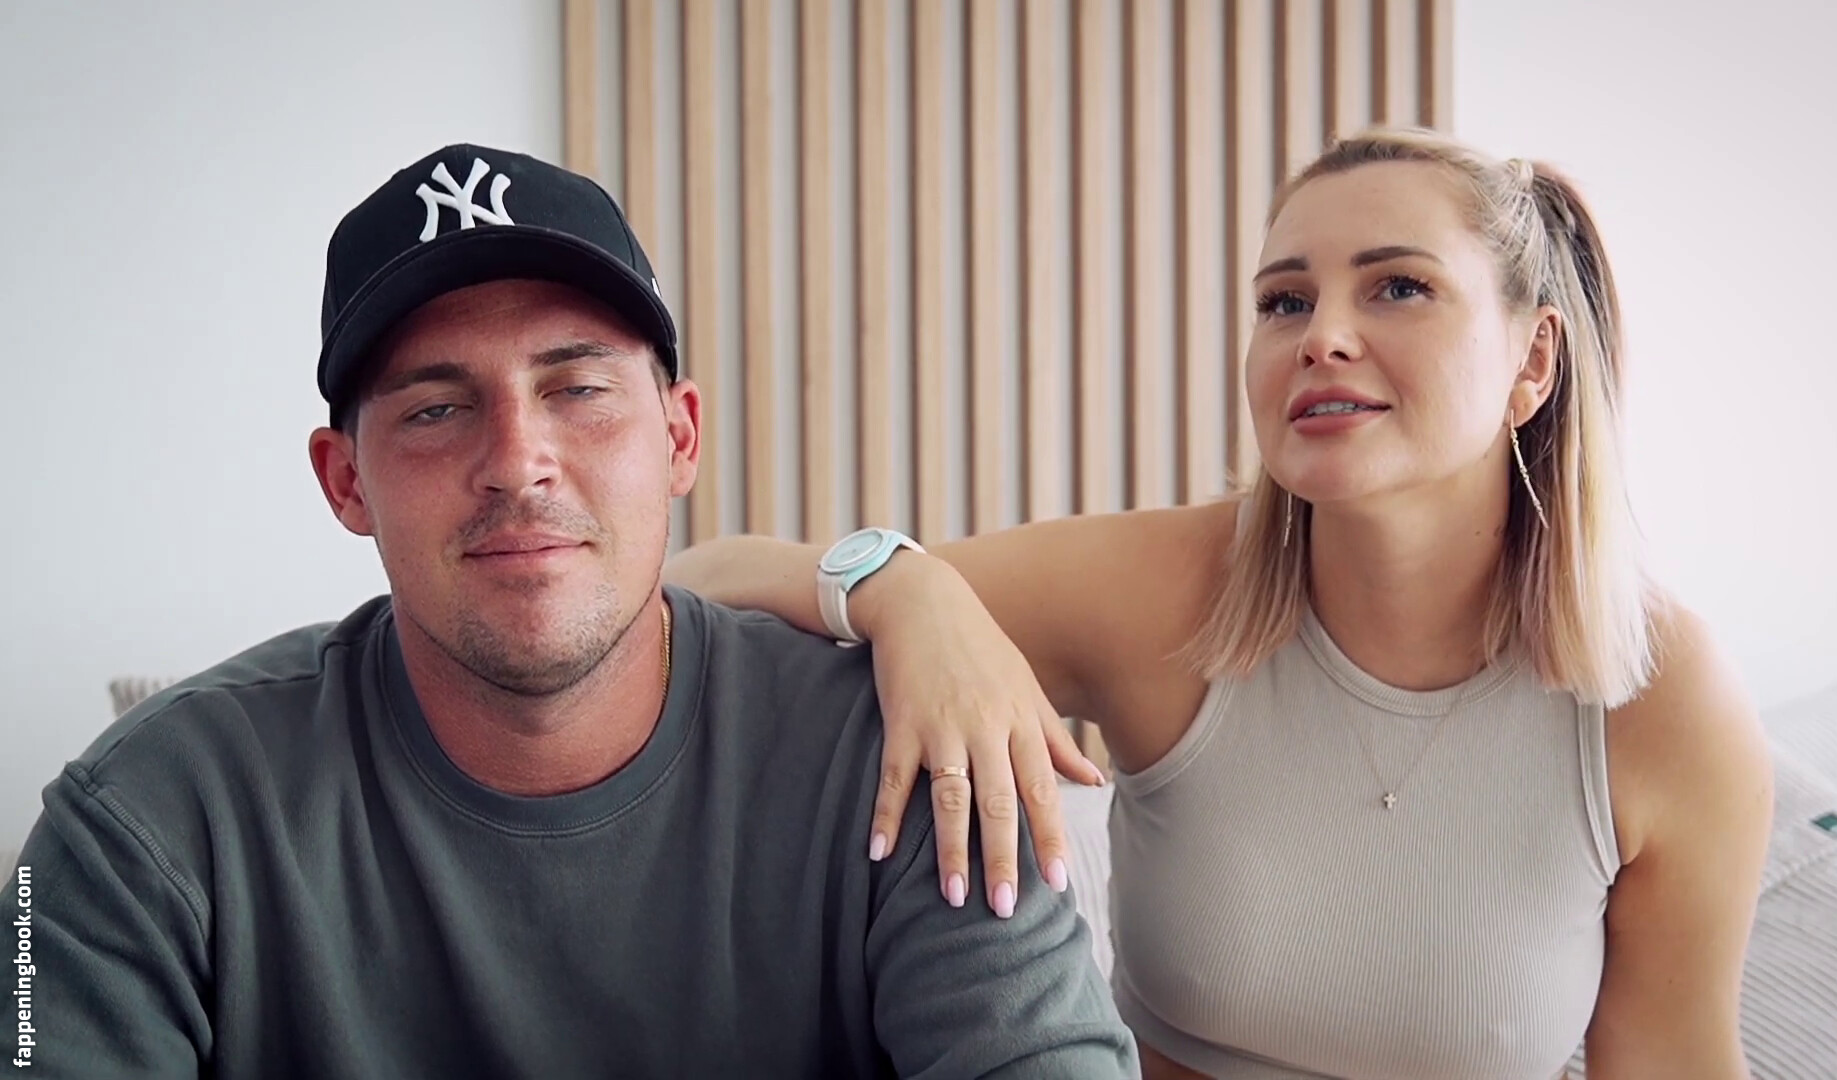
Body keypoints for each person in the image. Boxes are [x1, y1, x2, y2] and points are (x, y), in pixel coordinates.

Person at [667, 127, 1776, 1079]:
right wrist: (909, 591)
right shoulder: (1167, 592)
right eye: (1284, 301)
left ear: (1533, 362)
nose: (1321, 335)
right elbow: (696, 589)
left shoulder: (1666, 702)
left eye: (1398, 286)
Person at [10, 143, 1137, 1079]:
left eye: (579, 388)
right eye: (437, 409)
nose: (518, 461)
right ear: (345, 481)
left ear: (679, 436)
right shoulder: (144, 822)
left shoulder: (908, 761)